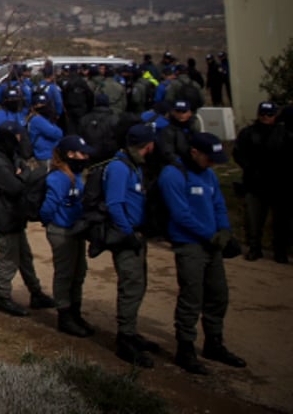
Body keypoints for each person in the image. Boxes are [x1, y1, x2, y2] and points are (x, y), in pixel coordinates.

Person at [159, 132, 247, 374]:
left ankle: (214, 342)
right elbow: (180, 214)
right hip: (189, 244)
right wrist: (209, 234)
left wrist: (225, 231)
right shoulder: (173, 175)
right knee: (191, 296)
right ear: (194, 152)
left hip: (213, 244)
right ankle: (185, 347)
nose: (213, 163)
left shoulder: (208, 174)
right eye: (210, 158)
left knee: (218, 294)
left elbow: (218, 204)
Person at [0, 122, 55, 317]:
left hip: (14, 213)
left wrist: (23, 174)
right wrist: (24, 176)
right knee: (9, 258)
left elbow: (23, 171)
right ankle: (4, 297)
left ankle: (36, 292)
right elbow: (14, 186)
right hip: (4, 215)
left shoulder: (9, 155)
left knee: (24, 256)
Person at [104, 123, 161, 368]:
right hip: (126, 238)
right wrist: (128, 233)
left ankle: (131, 331)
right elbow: (114, 204)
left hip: (136, 234)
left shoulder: (132, 165)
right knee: (131, 284)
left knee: (138, 284)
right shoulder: (119, 167)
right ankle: (125, 339)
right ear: (148, 145)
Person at [40, 135, 94, 337]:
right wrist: (53, 223)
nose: (85, 156)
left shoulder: (76, 174)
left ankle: (75, 312)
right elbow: (47, 209)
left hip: (76, 231)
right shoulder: (59, 177)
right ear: (70, 154)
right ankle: (64, 316)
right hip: (62, 232)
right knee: (64, 274)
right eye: (82, 153)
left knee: (79, 272)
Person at [231, 101, 290, 263]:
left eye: (269, 114)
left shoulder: (284, 133)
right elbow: (238, 153)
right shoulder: (248, 133)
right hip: (254, 183)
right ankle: (254, 248)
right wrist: (249, 168)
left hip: (279, 184)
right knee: (254, 220)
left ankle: (280, 251)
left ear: (275, 116)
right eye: (263, 114)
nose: (266, 117)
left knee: (280, 221)